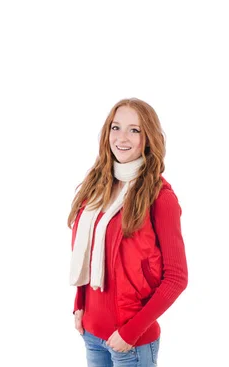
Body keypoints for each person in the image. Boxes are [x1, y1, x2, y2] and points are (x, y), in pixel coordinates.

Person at [68, 98, 188, 366]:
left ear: (148, 138)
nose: (122, 137)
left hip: (131, 343)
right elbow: (85, 253)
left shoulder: (160, 196)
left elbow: (177, 278)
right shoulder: (96, 186)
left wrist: (130, 332)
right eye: (116, 127)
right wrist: (80, 304)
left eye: (134, 130)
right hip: (91, 334)